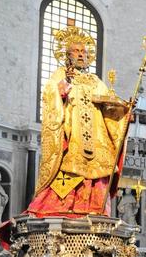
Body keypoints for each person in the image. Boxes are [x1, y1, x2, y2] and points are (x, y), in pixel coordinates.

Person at [28, 25, 130, 218]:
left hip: (97, 138)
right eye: (77, 51)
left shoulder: (96, 81)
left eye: (84, 51)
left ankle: (94, 211)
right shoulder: (62, 75)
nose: (82, 54)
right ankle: (63, 212)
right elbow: (51, 95)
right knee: (68, 171)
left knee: (98, 174)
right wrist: (60, 91)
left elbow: (109, 105)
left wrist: (124, 112)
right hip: (73, 137)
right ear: (68, 55)